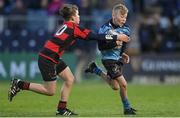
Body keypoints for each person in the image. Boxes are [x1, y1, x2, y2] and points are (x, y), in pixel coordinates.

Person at [8, 4, 128, 116]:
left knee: (70, 79)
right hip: (48, 58)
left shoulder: (66, 25)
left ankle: (61, 109)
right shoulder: (74, 28)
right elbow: (95, 36)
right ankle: (19, 84)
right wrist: (117, 37)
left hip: (52, 56)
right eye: (78, 15)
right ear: (72, 17)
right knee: (49, 91)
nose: (79, 17)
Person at [85, 4, 137, 115]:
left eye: (125, 17)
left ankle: (95, 69)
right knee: (123, 84)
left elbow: (124, 44)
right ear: (113, 15)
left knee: (115, 86)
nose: (123, 19)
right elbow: (101, 47)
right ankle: (127, 108)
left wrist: (123, 53)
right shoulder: (104, 29)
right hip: (108, 59)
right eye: (121, 17)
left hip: (117, 59)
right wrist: (114, 43)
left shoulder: (126, 28)